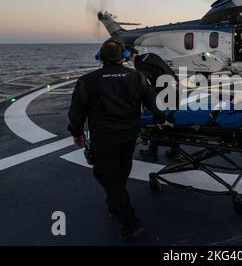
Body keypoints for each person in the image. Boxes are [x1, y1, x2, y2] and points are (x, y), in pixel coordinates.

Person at [68, 37, 171, 240]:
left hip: (104, 140)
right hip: (130, 136)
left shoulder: (87, 81)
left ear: (100, 57)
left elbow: (77, 112)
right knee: (121, 172)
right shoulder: (137, 77)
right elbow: (151, 103)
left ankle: (130, 222)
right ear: (124, 57)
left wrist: (76, 133)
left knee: (107, 177)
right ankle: (115, 206)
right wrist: (161, 120)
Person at [128, 48, 178, 161]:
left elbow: (145, 87)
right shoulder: (149, 56)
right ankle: (175, 153)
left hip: (166, 91)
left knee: (158, 120)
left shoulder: (141, 65)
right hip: (175, 86)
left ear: (128, 56)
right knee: (172, 119)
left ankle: (152, 153)